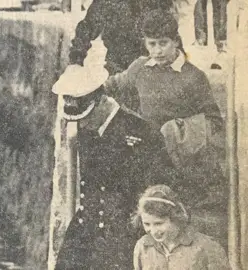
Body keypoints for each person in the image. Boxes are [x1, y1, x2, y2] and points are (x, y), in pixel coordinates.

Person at [52, 38, 178, 269]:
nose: (82, 124)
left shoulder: (141, 132)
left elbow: (162, 187)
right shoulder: (87, 131)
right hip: (85, 234)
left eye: (85, 118)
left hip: (124, 240)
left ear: (101, 102)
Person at [103, 9, 225, 203]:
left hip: (179, 161)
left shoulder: (193, 77)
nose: (157, 51)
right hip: (145, 155)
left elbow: (214, 122)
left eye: (163, 43)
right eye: (152, 44)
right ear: (145, 43)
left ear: (175, 41)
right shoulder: (140, 68)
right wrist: (87, 88)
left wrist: (176, 131)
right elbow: (112, 85)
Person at [132, 184, 230, 269]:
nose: (153, 231)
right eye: (147, 224)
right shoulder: (143, 246)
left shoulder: (207, 247)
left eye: (159, 223)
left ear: (175, 218)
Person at [66, 0, 175, 75]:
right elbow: (87, 28)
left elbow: (170, 31)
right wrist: (76, 60)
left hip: (152, 68)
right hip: (118, 69)